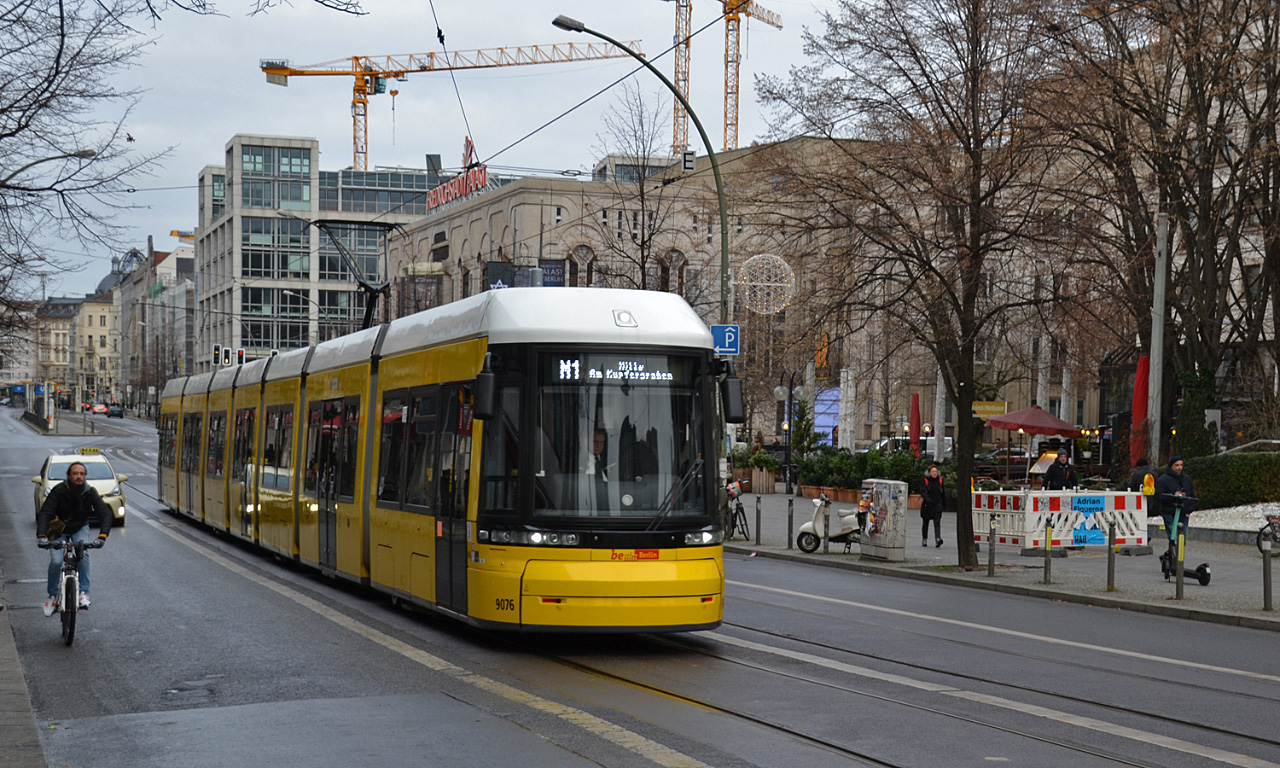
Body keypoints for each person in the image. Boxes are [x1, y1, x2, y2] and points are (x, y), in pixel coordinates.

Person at [36, 462, 111, 616]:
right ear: (69, 476)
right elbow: (45, 513)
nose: (79, 477)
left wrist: (102, 536)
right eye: (75, 473)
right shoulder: (59, 490)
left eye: (82, 474)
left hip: (79, 527)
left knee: (83, 555)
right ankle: (52, 596)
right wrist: (42, 535)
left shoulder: (90, 492)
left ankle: (83, 593)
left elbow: (105, 514)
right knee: (56, 561)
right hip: (59, 528)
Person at [1154, 455, 1195, 546]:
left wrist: (1189, 510)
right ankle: (1172, 556)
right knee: (1174, 539)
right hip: (1170, 512)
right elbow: (1158, 495)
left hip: (1184, 513)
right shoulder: (1163, 480)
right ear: (1171, 466)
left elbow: (1192, 495)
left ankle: (1177, 557)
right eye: (1177, 465)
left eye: (1181, 465)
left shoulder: (1187, 479)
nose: (1179, 467)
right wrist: (1173, 496)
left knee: (1182, 540)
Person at [920, 464, 945, 548]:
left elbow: (943, 493)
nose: (934, 473)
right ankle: (924, 538)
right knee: (925, 522)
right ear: (929, 473)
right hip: (927, 505)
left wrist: (944, 504)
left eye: (935, 472)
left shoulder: (940, 481)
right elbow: (923, 492)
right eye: (932, 472)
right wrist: (928, 500)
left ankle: (938, 539)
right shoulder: (925, 481)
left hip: (937, 505)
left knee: (937, 522)